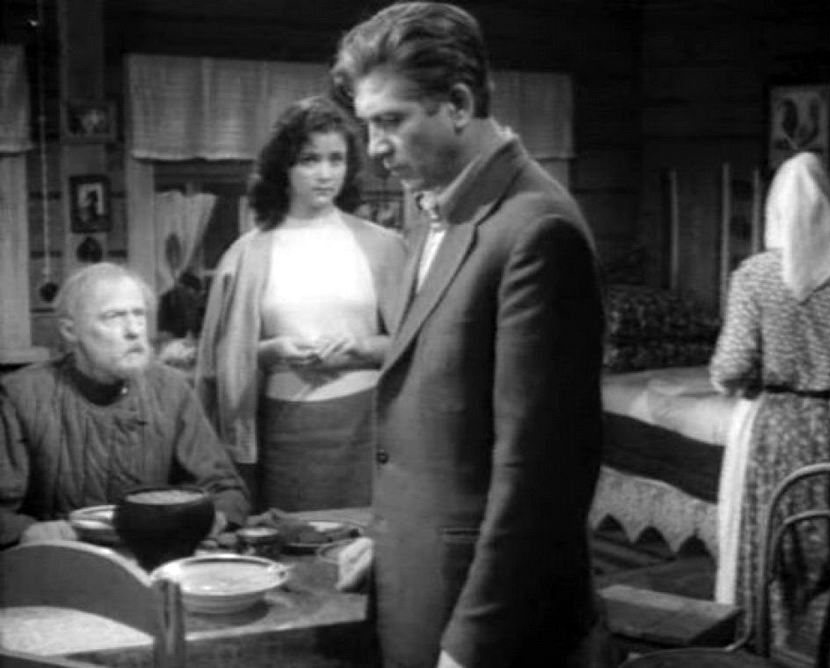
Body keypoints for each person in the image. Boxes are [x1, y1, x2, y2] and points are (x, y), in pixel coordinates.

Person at [330, 3, 608, 667]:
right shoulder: (439, 214)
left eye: (389, 121)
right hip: (423, 583)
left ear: (457, 103)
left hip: (488, 626)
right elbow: (445, 429)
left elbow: (540, 477)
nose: (374, 147)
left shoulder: (536, 230)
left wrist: (472, 644)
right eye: (367, 125)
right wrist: (394, 539)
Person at [711, 151, 830, 667]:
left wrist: (735, 380)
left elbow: (732, 366)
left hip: (779, 432)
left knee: (777, 555)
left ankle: (766, 653)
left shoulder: (756, 276)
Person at [195, 94, 405, 512]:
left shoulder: (385, 248)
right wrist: (273, 351)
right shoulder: (247, 254)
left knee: (366, 540)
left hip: (369, 427)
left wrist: (361, 347)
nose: (325, 174)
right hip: (286, 429)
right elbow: (221, 363)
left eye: (336, 159)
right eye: (310, 160)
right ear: (284, 167)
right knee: (291, 537)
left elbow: (418, 348)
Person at [0, 263, 249, 547]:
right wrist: (26, 531)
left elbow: (225, 489)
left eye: (139, 315)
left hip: (153, 555)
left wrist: (214, 517)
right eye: (113, 316)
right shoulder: (20, 395)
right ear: (70, 330)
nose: (133, 330)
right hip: (59, 561)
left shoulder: (171, 389)